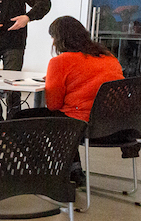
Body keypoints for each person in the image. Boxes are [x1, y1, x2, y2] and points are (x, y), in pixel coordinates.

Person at [12, 16, 126, 183]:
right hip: (116, 126)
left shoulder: (60, 62)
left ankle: (44, 168)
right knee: (71, 116)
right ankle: (73, 170)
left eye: (53, 37)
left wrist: (54, 80)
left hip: (82, 127)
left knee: (19, 118)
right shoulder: (109, 58)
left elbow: (53, 105)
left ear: (59, 39)